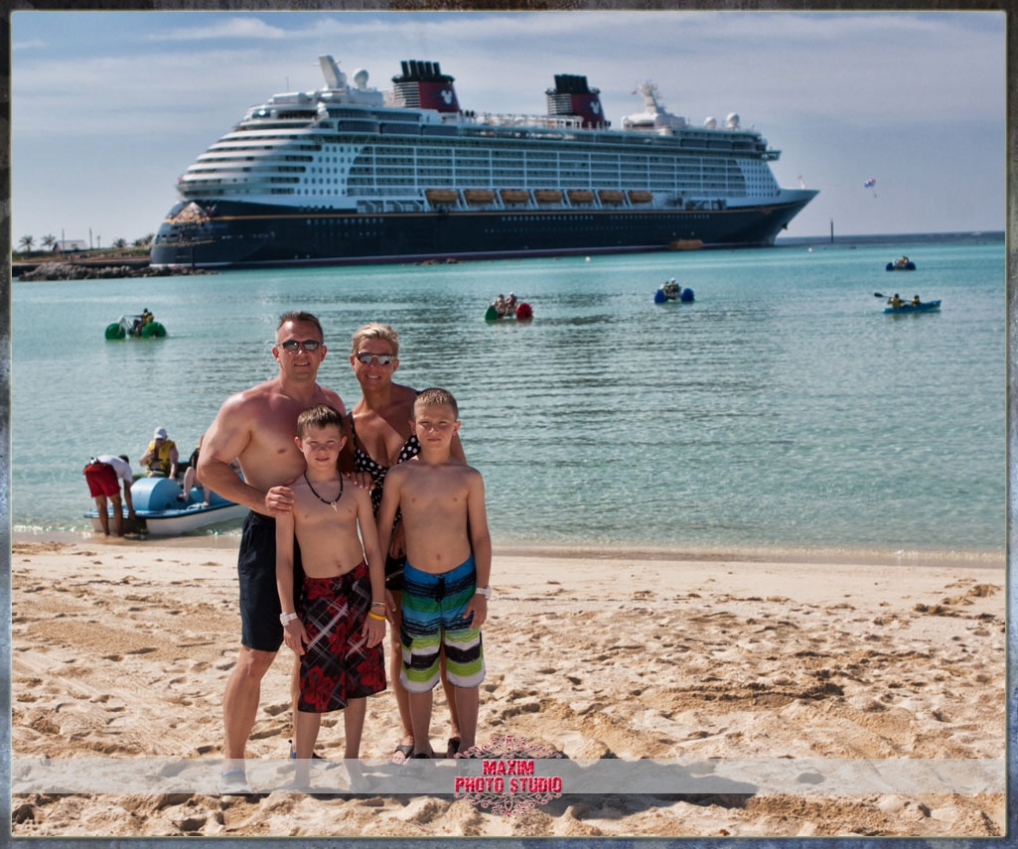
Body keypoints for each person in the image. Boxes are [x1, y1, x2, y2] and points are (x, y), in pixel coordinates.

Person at [196, 310, 347, 795]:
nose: (300, 353)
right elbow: (208, 467)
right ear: (275, 351)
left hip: (321, 537)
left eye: (309, 344)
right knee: (257, 654)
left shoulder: (333, 402)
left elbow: (338, 467)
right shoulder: (248, 406)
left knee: (311, 649)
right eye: (291, 345)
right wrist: (259, 499)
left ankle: (300, 750)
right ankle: (233, 766)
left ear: (323, 352)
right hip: (267, 535)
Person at [341, 323, 466, 762]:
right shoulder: (347, 427)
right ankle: (413, 734)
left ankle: (456, 727)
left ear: (396, 361)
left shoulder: (424, 409)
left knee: (451, 640)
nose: (375, 366)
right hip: (385, 553)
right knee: (402, 641)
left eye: (384, 358)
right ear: (352, 360)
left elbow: (459, 472)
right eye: (366, 357)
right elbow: (343, 493)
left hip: (440, 542)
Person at [376, 388, 491, 759]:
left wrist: (482, 592)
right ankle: (422, 745)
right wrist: (377, 592)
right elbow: (380, 536)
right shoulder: (400, 476)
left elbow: (481, 536)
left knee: (465, 670)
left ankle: (469, 744)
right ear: (413, 427)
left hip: (462, 583)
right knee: (419, 670)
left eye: (443, 423)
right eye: (426, 423)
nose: (435, 430)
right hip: (417, 584)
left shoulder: (469, 477)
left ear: (456, 427)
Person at [276, 405, 386, 788]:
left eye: (329, 442)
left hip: (358, 590)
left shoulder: (355, 491)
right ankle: (301, 772)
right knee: (314, 684)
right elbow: (285, 561)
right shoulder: (290, 496)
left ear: (341, 444)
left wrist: (378, 608)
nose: (322, 450)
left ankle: (351, 763)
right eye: (313, 443)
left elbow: (373, 551)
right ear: (299, 445)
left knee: (359, 680)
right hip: (318, 596)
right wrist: (289, 616)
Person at [83, 454, 137, 537]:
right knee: (117, 502)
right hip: (105, 470)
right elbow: (127, 490)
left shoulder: (114, 460)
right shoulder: (126, 467)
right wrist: (130, 509)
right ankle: (120, 534)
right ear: (128, 462)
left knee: (101, 504)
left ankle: (106, 533)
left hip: (90, 470)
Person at [179, 436, 209, 505]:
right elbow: (192, 465)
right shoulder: (196, 454)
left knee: (207, 473)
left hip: (214, 482)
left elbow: (235, 466)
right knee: (190, 469)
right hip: (201, 481)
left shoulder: (217, 453)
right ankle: (185, 495)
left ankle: (206, 500)